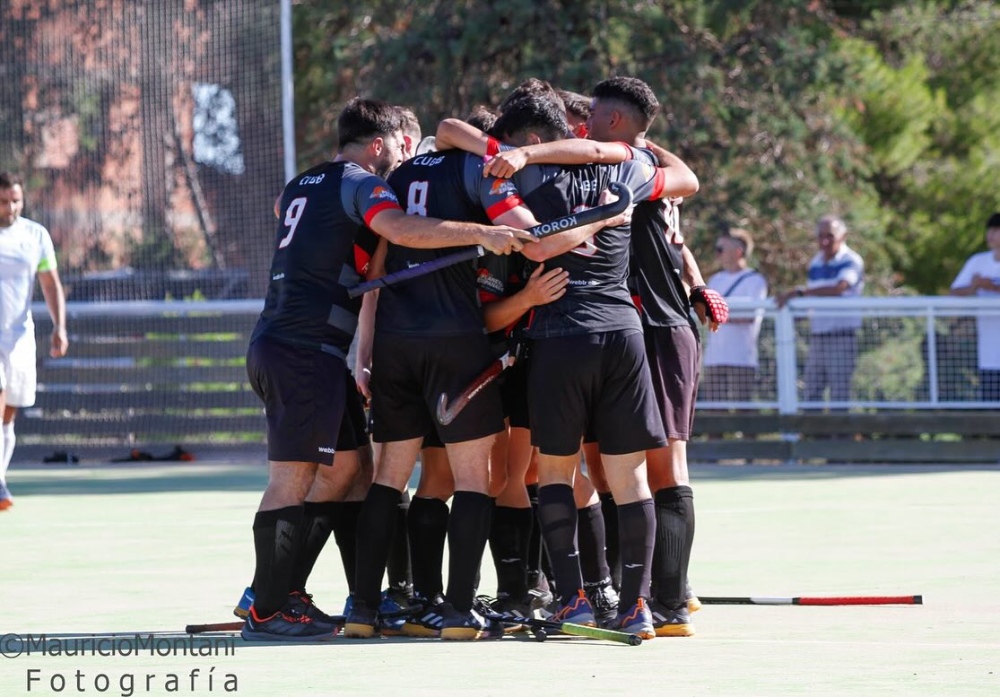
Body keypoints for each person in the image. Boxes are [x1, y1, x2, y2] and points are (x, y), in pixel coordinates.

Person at [241, 97, 529, 642]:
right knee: (291, 481)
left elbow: (287, 209)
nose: (405, 155)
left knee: (353, 472)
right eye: (400, 145)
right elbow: (399, 229)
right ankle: (265, 606)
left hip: (303, 347)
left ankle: (326, 596)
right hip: (303, 350)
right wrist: (479, 233)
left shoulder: (305, 181)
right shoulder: (364, 182)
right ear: (378, 144)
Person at [344, 109, 621, 641]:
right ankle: (457, 611)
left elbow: (376, 273)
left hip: (396, 345)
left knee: (390, 478)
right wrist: (601, 218)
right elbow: (536, 240)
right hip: (455, 344)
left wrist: (365, 350)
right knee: (476, 480)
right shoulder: (485, 174)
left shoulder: (398, 177)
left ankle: (364, 607)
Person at [582, 76, 720, 638]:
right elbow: (682, 206)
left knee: (665, 470)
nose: (583, 124)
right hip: (629, 334)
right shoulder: (637, 169)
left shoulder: (630, 169)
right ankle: (636, 590)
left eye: (591, 114)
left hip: (660, 331)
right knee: (616, 473)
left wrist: (638, 145)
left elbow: (685, 179)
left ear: (615, 123)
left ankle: (670, 599)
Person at [0, 172, 68, 512]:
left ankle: (0, 476)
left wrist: (60, 326)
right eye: (3, 201)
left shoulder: (35, 235)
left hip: (19, 336)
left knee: (8, 414)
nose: (10, 207)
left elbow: (50, 283)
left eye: (15, 200)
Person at [777, 215, 865, 406]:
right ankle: (812, 435)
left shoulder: (851, 260)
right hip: (818, 338)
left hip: (842, 337)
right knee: (812, 392)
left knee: (839, 395)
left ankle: (840, 436)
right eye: (821, 236)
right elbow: (814, 299)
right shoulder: (816, 262)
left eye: (830, 236)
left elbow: (838, 288)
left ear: (843, 236)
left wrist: (799, 292)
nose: (825, 241)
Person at [702, 229, 769, 404]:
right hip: (714, 358)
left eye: (721, 248)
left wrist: (718, 316)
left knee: (744, 412)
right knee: (714, 412)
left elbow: (750, 317)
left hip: (742, 359)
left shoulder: (755, 280)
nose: (717, 253)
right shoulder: (715, 280)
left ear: (738, 251)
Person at [949, 212, 1000, 401]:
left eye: (996, 230)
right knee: (992, 409)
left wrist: (992, 286)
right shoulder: (978, 261)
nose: (991, 235)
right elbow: (955, 291)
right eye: (990, 230)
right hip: (988, 353)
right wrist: (974, 286)